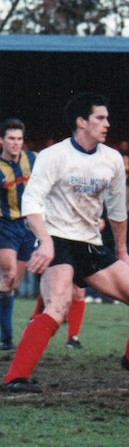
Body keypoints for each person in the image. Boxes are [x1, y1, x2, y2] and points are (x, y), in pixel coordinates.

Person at [2, 92, 129, 393]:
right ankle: (15, 378)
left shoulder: (112, 159)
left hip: (92, 246)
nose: (107, 123)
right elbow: (31, 202)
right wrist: (45, 241)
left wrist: (122, 252)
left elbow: (117, 212)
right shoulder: (54, 156)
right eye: (100, 118)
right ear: (81, 122)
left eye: (107, 118)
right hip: (58, 241)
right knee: (57, 306)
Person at [0, 119, 37, 351]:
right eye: (11, 139)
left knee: (12, 284)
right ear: (2, 141)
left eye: (19, 139)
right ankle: (7, 337)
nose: (15, 143)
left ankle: (5, 335)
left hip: (27, 226)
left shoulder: (32, 159)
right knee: (8, 274)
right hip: (5, 225)